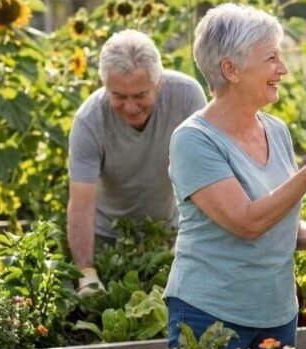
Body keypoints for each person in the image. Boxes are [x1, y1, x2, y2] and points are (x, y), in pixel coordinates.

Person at [164, 3, 306, 349]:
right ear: (231, 69)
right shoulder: (193, 140)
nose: (283, 69)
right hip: (210, 316)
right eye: (271, 58)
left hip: (276, 314)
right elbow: (247, 222)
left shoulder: (276, 131)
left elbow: (275, 212)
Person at [68, 29, 207, 296]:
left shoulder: (187, 98)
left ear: (158, 83)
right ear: (105, 85)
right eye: (119, 96)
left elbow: (205, 176)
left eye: (140, 95)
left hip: (170, 234)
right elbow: (81, 205)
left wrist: (195, 242)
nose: (130, 107)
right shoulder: (89, 120)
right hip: (109, 242)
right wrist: (87, 272)